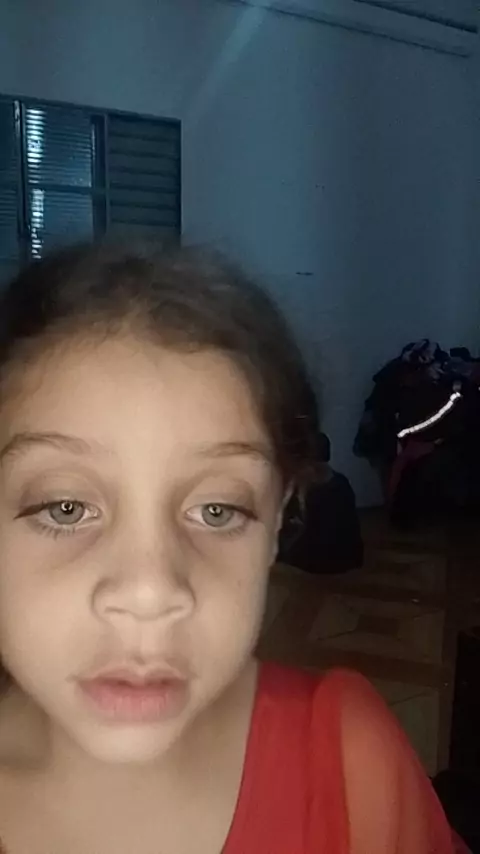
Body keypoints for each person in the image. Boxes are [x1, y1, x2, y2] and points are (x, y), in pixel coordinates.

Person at [0, 242, 464, 853]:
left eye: (217, 510)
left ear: (275, 523)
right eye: (65, 507)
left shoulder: (349, 770)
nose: (150, 592)